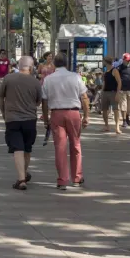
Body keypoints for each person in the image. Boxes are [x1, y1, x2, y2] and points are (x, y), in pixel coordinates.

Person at [40, 53, 89, 190]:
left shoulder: (49, 79)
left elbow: (44, 100)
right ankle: (77, 178)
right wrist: (86, 116)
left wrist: (45, 118)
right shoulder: (76, 77)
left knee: (60, 148)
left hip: (56, 114)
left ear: (54, 64)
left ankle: (62, 180)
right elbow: (84, 97)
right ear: (67, 63)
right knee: (76, 145)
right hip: (73, 113)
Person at [0, 56, 42, 190]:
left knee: (17, 148)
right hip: (30, 120)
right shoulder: (35, 82)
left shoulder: (8, 78)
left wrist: (3, 112)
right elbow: (38, 101)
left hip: (12, 119)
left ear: (18, 65)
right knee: (27, 149)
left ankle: (21, 179)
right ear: (32, 67)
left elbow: (0, 97)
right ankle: (22, 176)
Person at [99, 57, 123, 133]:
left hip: (113, 92)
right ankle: (106, 126)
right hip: (105, 92)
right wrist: (102, 92)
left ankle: (117, 127)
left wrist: (118, 93)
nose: (102, 62)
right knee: (104, 110)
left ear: (106, 62)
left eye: (103, 61)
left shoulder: (115, 70)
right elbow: (104, 83)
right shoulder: (106, 72)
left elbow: (119, 82)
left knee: (116, 110)